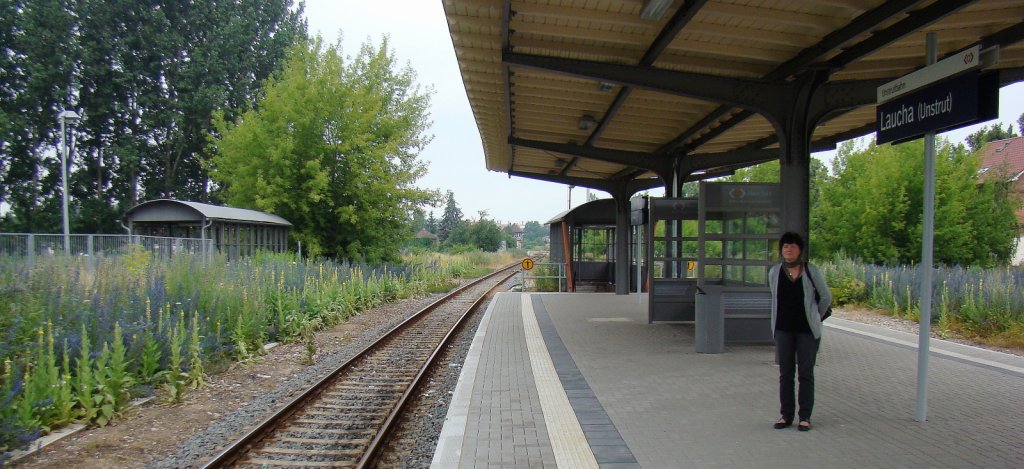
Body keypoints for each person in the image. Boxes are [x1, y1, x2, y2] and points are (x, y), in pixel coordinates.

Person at [768, 231, 832, 432]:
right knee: (785, 374)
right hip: (783, 330)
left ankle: (805, 417)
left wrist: (815, 317)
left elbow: (826, 297)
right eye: (785, 246)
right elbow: (774, 296)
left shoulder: (811, 271)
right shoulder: (774, 272)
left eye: (792, 246)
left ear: (800, 250)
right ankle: (786, 415)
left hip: (806, 331)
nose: (788, 249)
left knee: (806, 373)